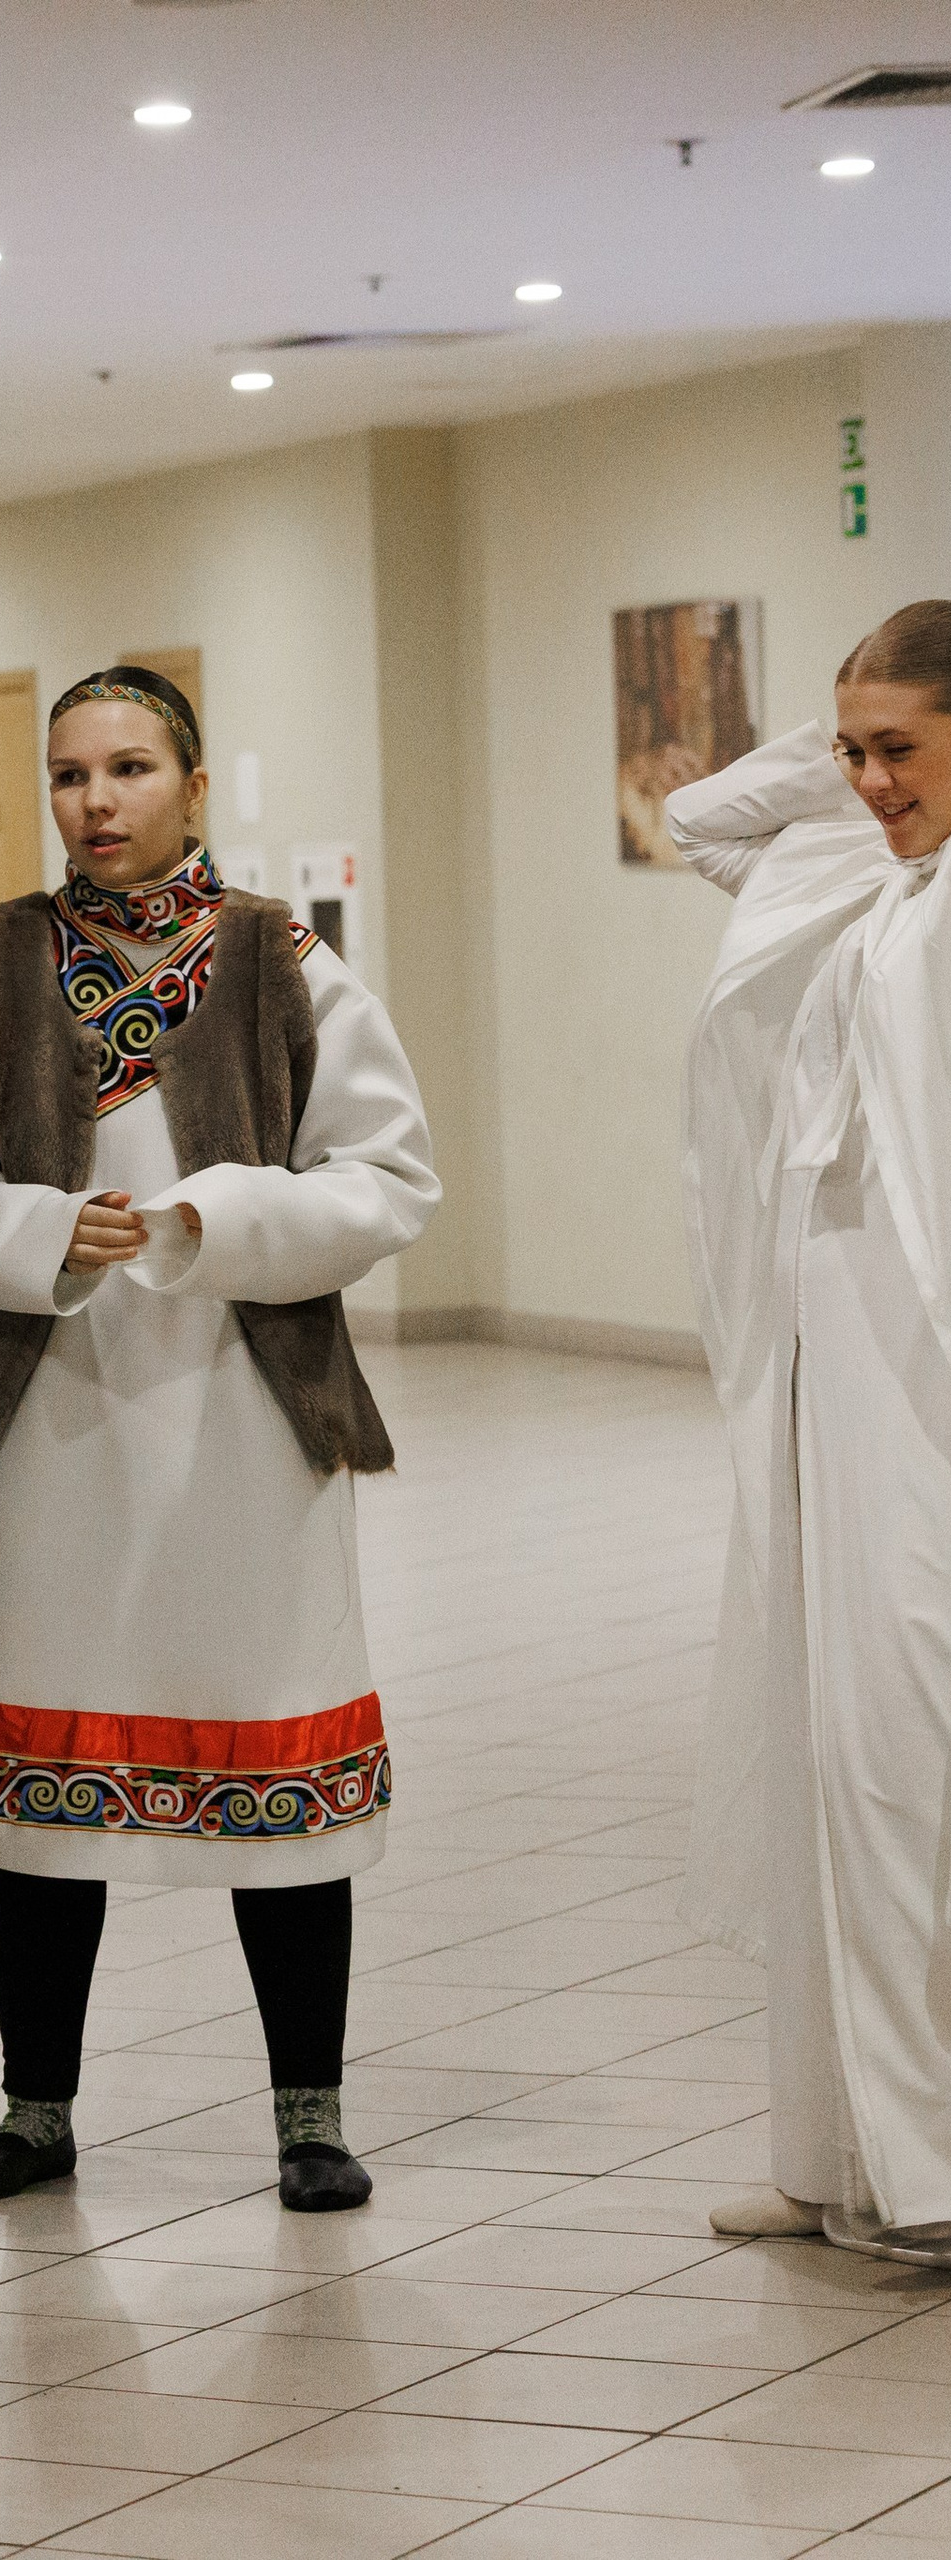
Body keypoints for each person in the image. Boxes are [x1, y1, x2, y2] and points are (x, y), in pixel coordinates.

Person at [0, 667, 437, 2214]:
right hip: (52, 1419)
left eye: (128, 768)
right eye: (69, 774)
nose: (97, 801)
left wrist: (213, 1218)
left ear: (193, 782)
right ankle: (36, 2111)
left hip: (249, 1419)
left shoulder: (285, 962)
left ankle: (310, 2115)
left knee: (276, 1752)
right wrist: (54, 1231)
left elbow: (391, 1177)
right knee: (40, 1788)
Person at [677, 607, 951, 2264]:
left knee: (897, 1746)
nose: (863, 781)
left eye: (896, 749)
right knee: (823, 1735)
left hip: (919, 1382)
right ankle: (837, 2152)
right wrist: (855, 744)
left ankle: (922, 2164)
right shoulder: (876, 879)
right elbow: (710, 823)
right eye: (846, 751)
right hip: (823, 1358)